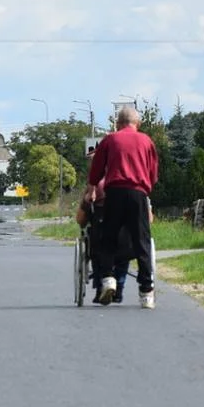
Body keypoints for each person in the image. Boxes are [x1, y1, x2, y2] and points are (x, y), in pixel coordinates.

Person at [86, 106, 158, 308]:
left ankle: (108, 278)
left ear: (118, 124)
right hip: (138, 193)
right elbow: (153, 172)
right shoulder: (146, 141)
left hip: (115, 193)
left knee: (108, 237)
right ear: (138, 123)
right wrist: (146, 188)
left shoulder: (110, 139)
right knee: (141, 240)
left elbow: (97, 168)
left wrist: (93, 186)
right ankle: (146, 292)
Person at [75, 161, 130, 303]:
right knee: (124, 249)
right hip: (124, 239)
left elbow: (80, 220)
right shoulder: (129, 184)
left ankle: (100, 287)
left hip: (100, 235)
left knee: (96, 249)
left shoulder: (95, 187)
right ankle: (119, 289)